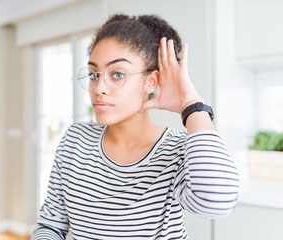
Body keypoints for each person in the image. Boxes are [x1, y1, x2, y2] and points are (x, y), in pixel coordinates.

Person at [31, 14, 239, 240]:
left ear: (150, 82)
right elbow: (50, 226)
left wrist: (189, 103)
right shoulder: (75, 140)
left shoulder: (179, 150)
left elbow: (217, 202)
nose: (99, 87)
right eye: (93, 74)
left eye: (117, 74)